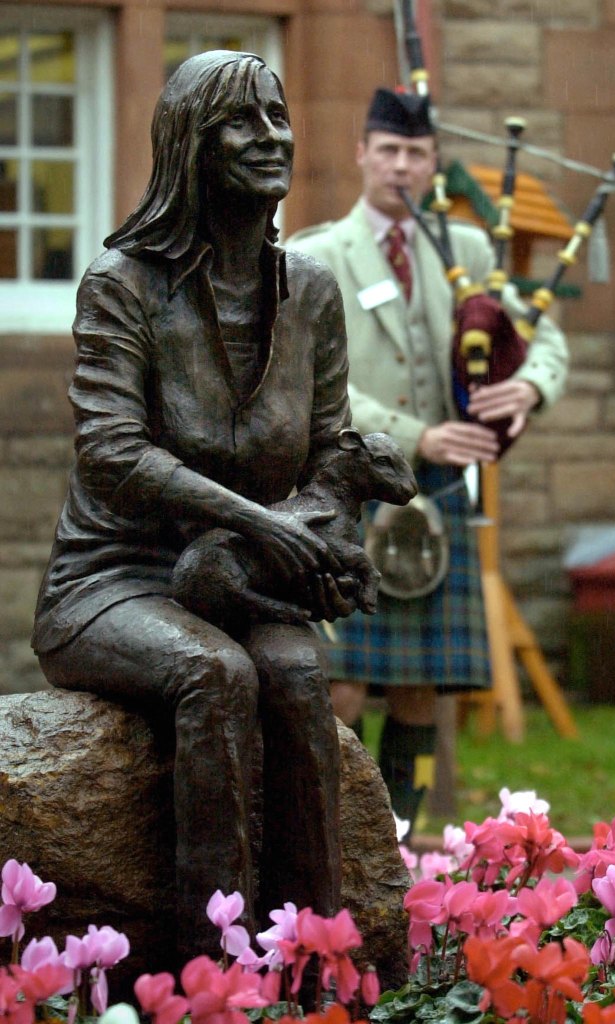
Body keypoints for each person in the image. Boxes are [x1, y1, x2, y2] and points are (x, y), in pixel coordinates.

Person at [32, 50, 355, 964]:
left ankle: (318, 959)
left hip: (238, 580)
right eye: (240, 122)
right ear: (188, 145)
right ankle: (206, 970)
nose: (271, 138)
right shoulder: (122, 285)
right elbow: (114, 454)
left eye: (278, 116)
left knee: (293, 676)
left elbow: (333, 450)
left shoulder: (313, 296)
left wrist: (319, 538)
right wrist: (262, 522)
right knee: (216, 676)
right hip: (113, 581)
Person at [287, 88, 568, 834]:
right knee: (341, 685)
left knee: (419, 689)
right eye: (389, 150)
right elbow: (307, 382)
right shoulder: (314, 256)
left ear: (433, 161)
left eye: (416, 153)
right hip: (345, 486)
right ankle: (334, 836)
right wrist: (417, 435)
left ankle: (399, 839)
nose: (402, 166)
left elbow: (543, 340)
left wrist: (527, 388)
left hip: (436, 497)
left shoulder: (468, 252)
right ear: (361, 154)